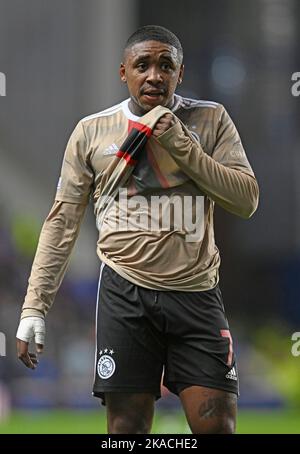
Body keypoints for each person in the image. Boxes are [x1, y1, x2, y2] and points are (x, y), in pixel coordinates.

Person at [16, 25, 259, 434]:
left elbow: (246, 200)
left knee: (218, 428)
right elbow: (62, 222)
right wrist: (34, 306)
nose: (154, 75)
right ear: (123, 72)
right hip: (125, 296)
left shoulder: (209, 118)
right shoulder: (92, 132)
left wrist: (183, 146)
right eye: (142, 65)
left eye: (166, 65)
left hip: (196, 295)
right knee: (126, 430)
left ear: (180, 74)